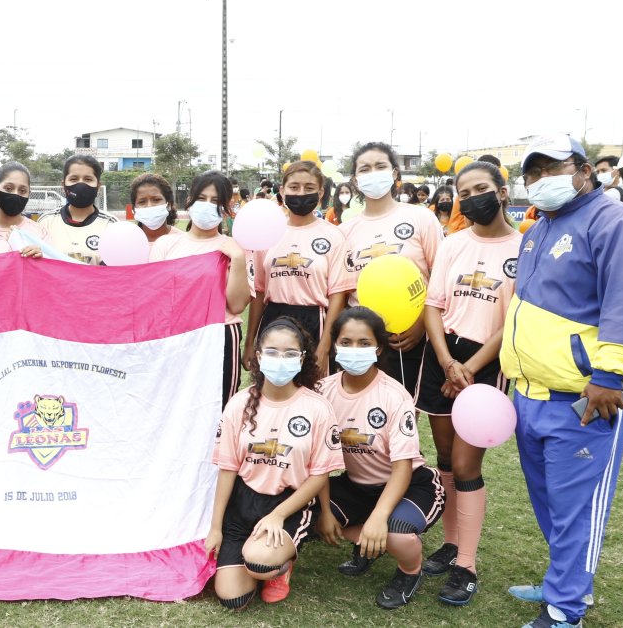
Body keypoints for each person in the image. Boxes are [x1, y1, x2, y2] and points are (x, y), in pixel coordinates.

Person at [500, 133, 623, 628]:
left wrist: (610, 375)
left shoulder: (616, 222)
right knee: (549, 500)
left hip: (586, 398)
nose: (540, 181)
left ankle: (567, 607)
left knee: (577, 507)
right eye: (532, 173)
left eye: (552, 168)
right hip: (532, 394)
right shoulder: (539, 228)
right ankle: (565, 581)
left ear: (585, 170)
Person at [415, 161, 521, 606]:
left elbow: (514, 317)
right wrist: (445, 358)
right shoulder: (453, 243)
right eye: (464, 190)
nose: (472, 196)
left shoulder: (524, 246)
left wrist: (472, 367)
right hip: (443, 356)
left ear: (501, 191)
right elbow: (433, 305)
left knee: (466, 465)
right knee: (443, 456)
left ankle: (467, 565)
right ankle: (452, 543)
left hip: (486, 361)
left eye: (482, 188)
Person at [206, 318, 344, 609]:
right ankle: (257, 555)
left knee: (259, 563)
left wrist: (278, 516)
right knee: (232, 599)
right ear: (258, 355)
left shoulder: (317, 408)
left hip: (289, 502)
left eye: (290, 353)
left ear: (302, 358)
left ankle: (278, 567)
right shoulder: (239, 404)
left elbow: (320, 475)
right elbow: (228, 468)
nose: (280, 360)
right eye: (272, 351)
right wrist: (216, 526)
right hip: (243, 503)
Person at [315, 307, 445, 610]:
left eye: (364, 343)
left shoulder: (394, 395)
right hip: (357, 485)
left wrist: (377, 518)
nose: (354, 350)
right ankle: (366, 546)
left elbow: (402, 468)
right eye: (346, 342)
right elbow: (317, 460)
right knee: (309, 515)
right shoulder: (322, 391)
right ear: (334, 345)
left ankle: (409, 572)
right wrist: (323, 510)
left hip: (410, 484)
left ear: (379, 347)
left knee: (396, 532)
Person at [328, 142, 443, 396]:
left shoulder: (421, 218)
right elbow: (342, 291)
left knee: (402, 411)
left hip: (408, 337)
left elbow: (439, 279)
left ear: (394, 174)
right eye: (365, 169)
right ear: (355, 180)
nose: (373, 173)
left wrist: (422, 323)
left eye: (380, 166)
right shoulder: (344, 232)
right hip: (360, 340)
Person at [150, 171, 251, 407]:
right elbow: (155, 298)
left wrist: (236, 258)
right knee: (175, 407)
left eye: (216, 201)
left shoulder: (236, 248)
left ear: (227, 206)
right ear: (189, 201)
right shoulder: (166, 244)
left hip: (220, 336)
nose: (207, 206)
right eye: (201, 198)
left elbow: (236, 305)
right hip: (177, 338)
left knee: (219, 408)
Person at [245, 161, 345, 372]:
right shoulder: (267, 233)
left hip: (315, 320)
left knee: (313, 391)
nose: (301, 193)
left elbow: (337, 295)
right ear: (282, 191)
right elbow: (259, 291)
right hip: (273, 318)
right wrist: (249, 343)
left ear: (320, 193)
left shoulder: (334, 236)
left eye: (309, 188)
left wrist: (325, 346)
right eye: (294, 187)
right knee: (272, 389)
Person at [36, 154, 116, 264]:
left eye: (88, 179)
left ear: (98, 186)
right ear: (64, 185)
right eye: (74, 179)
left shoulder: (111, 225)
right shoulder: (46, 221)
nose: (80, 185)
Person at [0, 161, 49, 243]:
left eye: (22, 190)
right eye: (8, 188)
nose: (15, 194)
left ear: (29, 193)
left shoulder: (40, 233)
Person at [130, 172, 179, 244]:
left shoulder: (183, 241)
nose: (149, 206)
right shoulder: (126, 242)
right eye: (142, 202)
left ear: (169, 205)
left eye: (156, 200)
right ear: (134, 209)